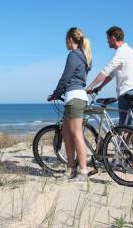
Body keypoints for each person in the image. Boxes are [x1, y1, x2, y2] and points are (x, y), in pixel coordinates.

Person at [85, 26, 133, 173]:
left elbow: (106, 70)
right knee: (129, 128)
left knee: (128, 129)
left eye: (107, 38)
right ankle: (128, 160)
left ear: (113, 37)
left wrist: (91, 85)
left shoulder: (122, 52)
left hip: (127, 92)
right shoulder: (129, 50)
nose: (107, 41)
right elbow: (112, 74)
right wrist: (99, 88)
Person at [48, 27, 93, 180]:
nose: (65, 43)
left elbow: (65, 78)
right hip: (75, 97)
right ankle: (70, 169)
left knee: (76, 134)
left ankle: (83, 171)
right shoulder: (84, 56)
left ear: (69, 39)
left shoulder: (74, 55)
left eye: (65, 40)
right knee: (66, 133)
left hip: (74, 97)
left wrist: (55, 94)